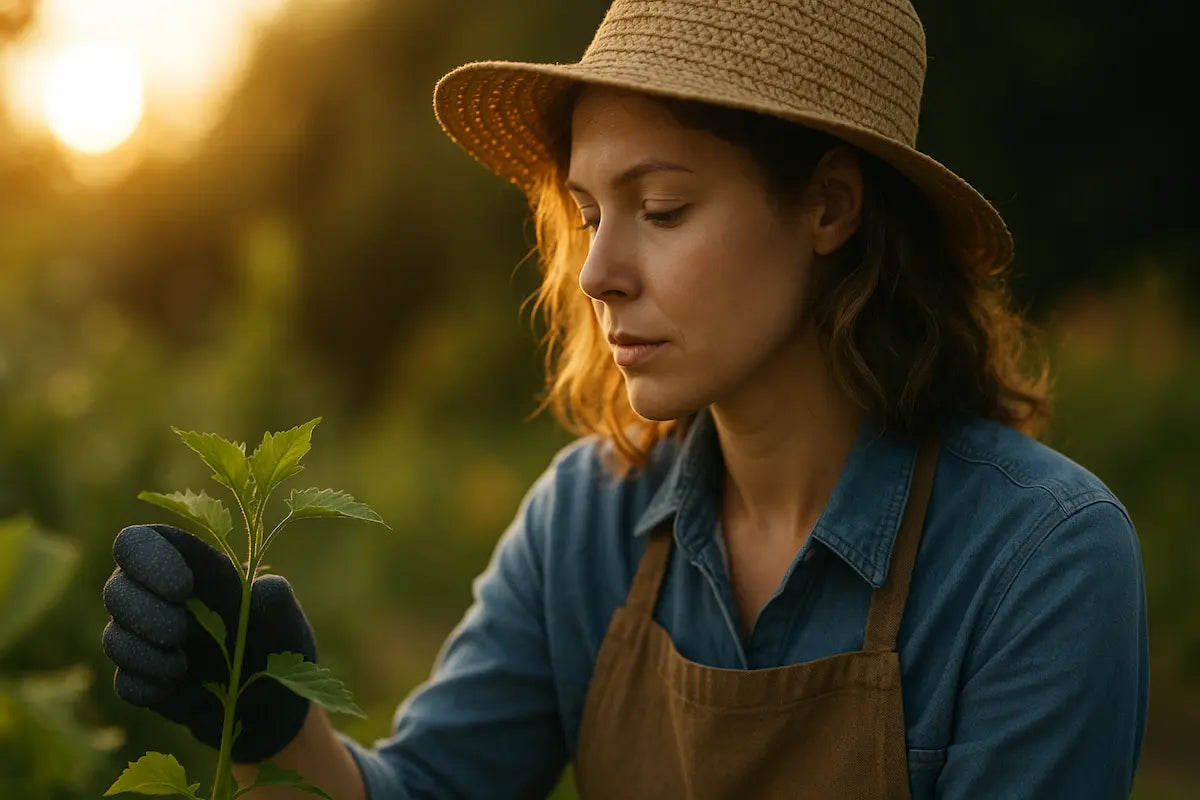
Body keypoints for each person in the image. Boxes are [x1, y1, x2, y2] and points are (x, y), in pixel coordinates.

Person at [101, 0, 1150, 797]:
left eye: (663, 207)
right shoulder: (588, 521)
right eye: (591, 213)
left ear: (830, 206)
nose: (599, 272)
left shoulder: (1035, 561)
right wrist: (272, 713)